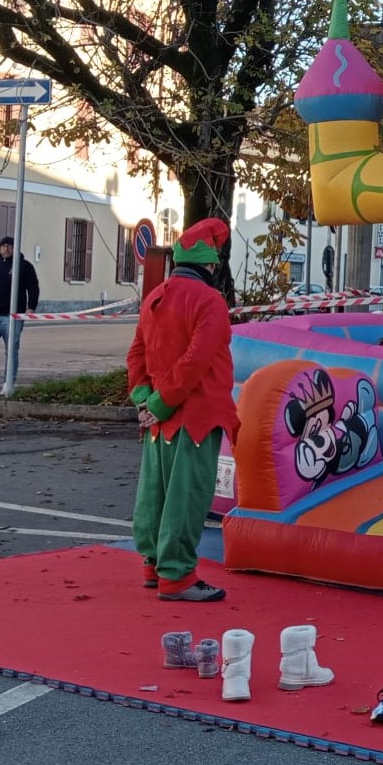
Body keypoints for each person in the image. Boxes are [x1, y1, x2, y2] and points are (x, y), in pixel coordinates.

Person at [126, 218, 240, 603]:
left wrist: (146, 401)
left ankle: (153, 564)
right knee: (186, 497)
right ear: (210, 263)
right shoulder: (210, 302)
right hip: (196, 416)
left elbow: (136, 355)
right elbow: (196, 363)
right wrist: (160, 404)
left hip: (159, 420)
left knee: (155, 494)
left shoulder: (154, 298)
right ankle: (176, 575)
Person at [0, 236, 40, 394]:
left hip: (13, 316)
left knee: (11, 351)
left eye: (9, 246)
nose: (6, 248)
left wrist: (31, 307)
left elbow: (33, 287)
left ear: (15, 248)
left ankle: (9, 382)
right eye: (3, 246)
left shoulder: (24, 266)